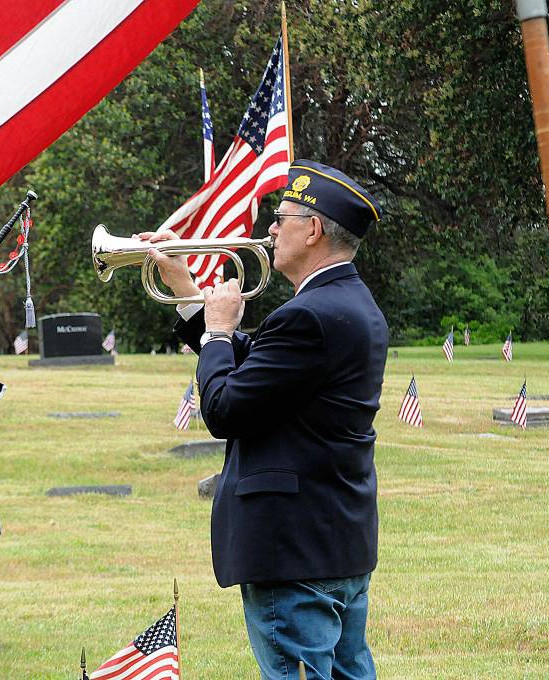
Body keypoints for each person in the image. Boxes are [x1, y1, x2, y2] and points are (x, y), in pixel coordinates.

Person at [143, 160, 388, 680]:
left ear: (314, 229)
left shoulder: (307, 315)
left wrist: (215, 332)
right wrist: (188, 291)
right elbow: (262, 368)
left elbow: (226, 407)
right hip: (334, 539)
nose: (271, 229)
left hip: (292, 550)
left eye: (282, 218)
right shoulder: (350, 303)